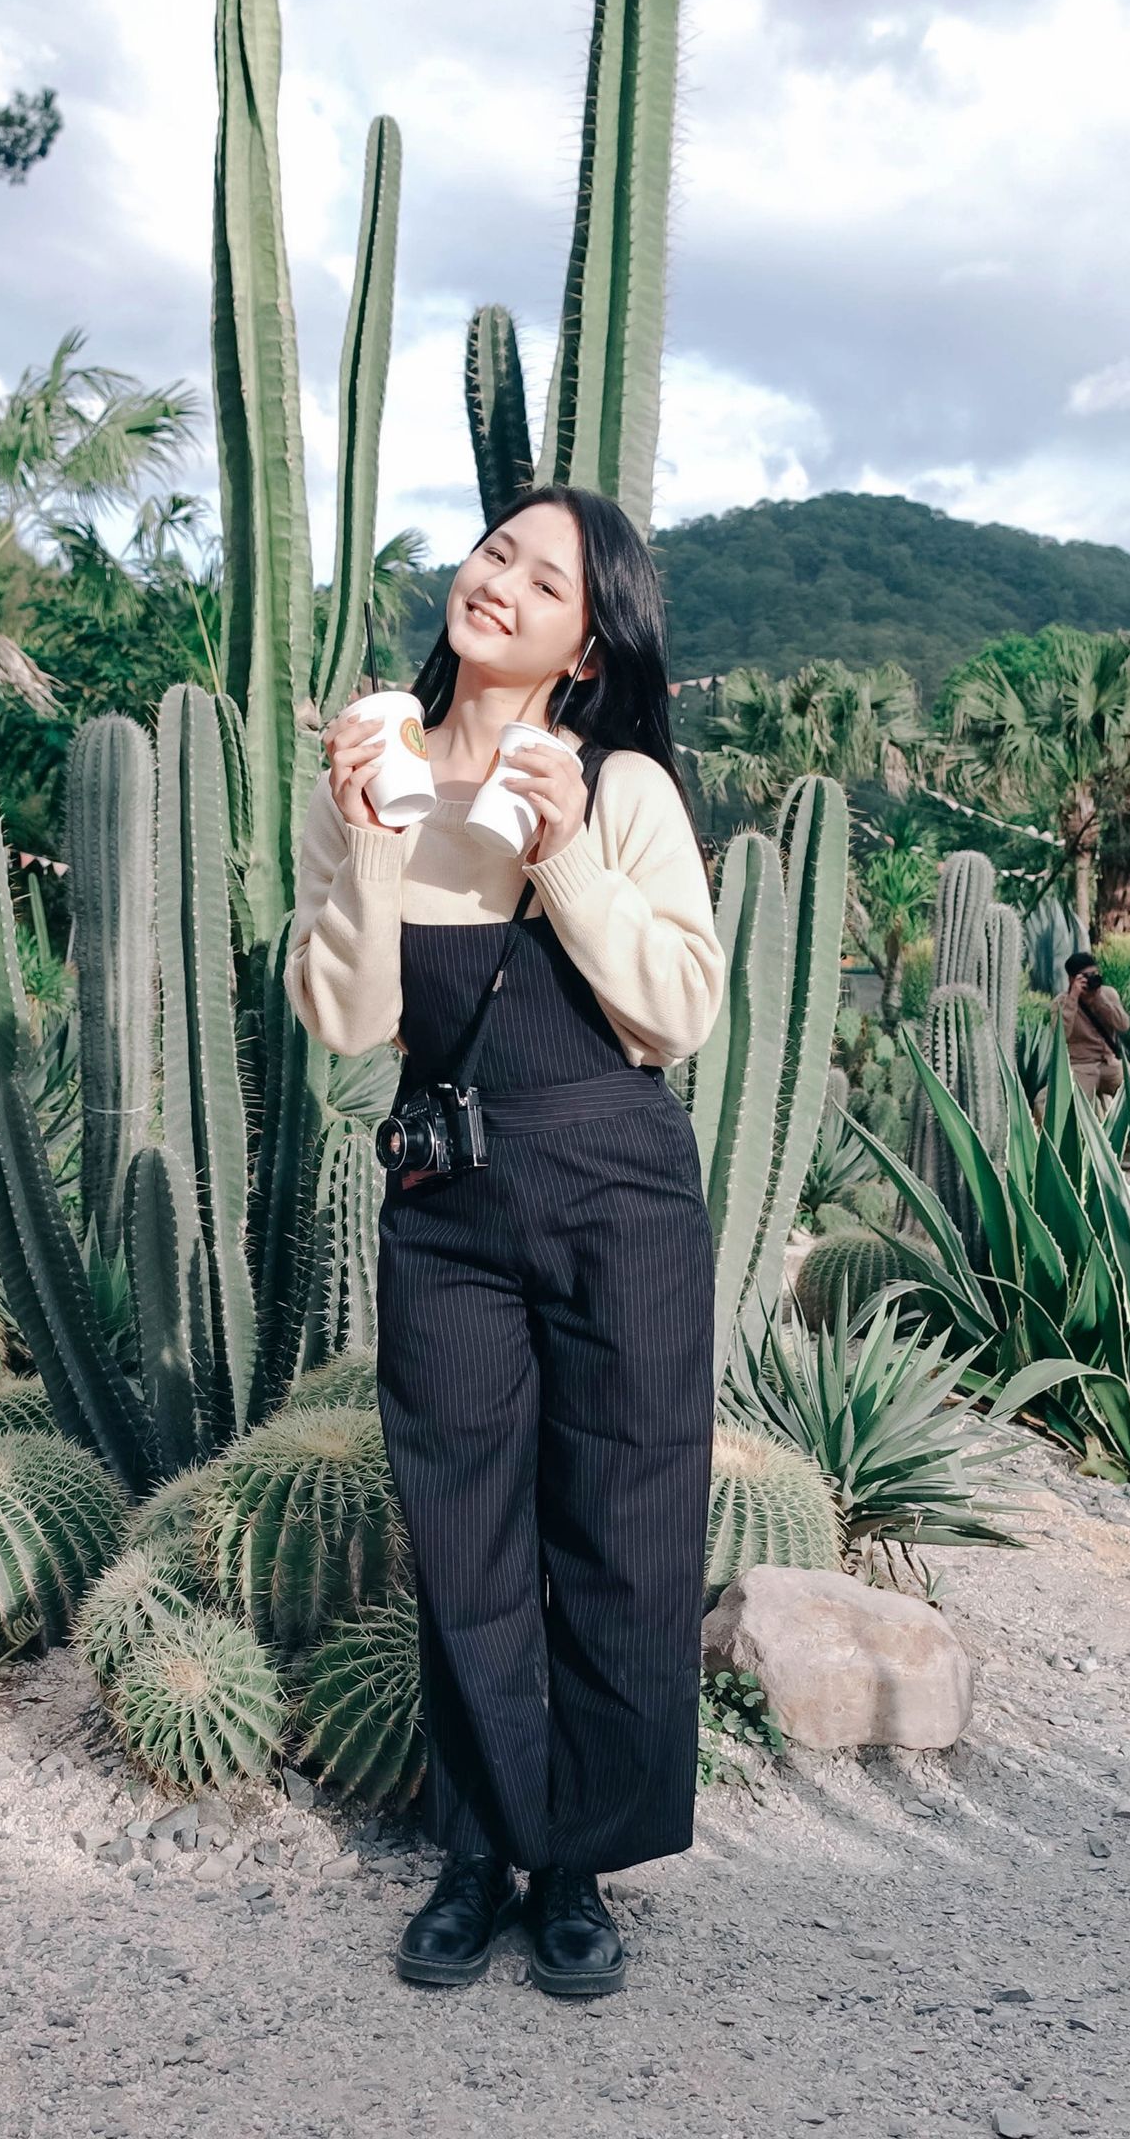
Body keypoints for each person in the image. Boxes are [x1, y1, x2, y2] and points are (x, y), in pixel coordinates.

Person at [285, 483, 727, 2001]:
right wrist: (357, 847)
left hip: (618, 1191)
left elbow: (675, 1011)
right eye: (494, 555)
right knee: (464, 1532)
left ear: (585, 643)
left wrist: (559, 850)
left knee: (620, 1529)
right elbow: (349, 1024)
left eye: (545, 580)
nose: (502, 585)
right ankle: (478, 1851)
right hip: (451, 1203)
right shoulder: (375, 768)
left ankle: (578, 1868)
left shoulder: (627, 792)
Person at [1058, 951, 1130, 1104]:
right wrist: (1073, 998)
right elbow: (1061, 1036)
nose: (1092, 979)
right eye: (1086, 976)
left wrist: (1100, 1000)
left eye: (1095, 974)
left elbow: (1124, 1025)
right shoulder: (1061, 1003)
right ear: (1072, 979)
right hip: (1081, 1067)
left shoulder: (1107, 994)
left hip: (1110, 1064)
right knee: (1061, 1104)